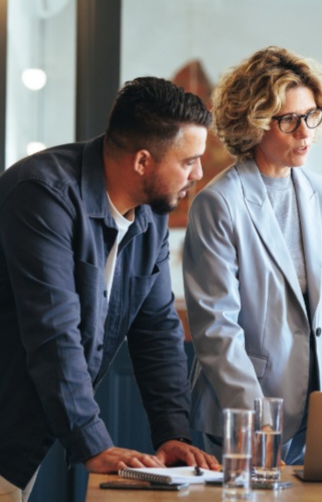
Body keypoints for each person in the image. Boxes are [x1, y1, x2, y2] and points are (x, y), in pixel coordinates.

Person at [0, 77, 220, 501]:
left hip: (27, 432)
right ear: (142, 162)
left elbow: (156, 329)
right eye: (189, 160)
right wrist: (93, 443)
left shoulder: (149, 214)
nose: (199, 173)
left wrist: (172, 432)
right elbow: (54, 334)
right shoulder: (43, 196)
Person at [183, 46, 322, 464]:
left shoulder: (319, 192)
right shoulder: (219, 202)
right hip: (246, 412)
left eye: (311, 115)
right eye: (288, 119)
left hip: (319, 411)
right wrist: (258, 422)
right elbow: (216, 329)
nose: (305, 131)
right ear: (253, 123)